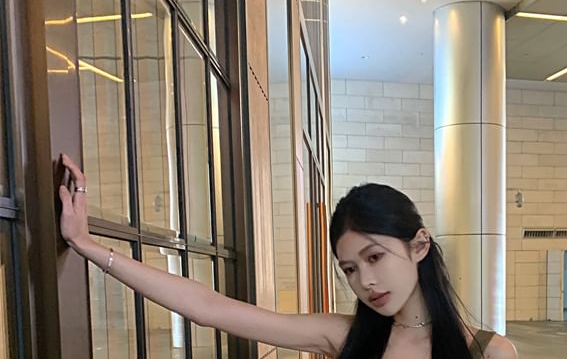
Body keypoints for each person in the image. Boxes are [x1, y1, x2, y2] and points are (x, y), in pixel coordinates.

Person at [57, 154, 517, 359]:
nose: (365, 282)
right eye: (350, 269)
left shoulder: (490, 352)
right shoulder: (346, 337)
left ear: (419, 245)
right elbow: (207, 308)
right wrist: (89, 245)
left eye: (375, 258)